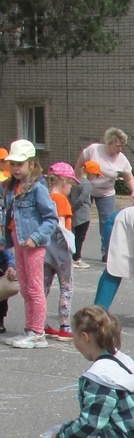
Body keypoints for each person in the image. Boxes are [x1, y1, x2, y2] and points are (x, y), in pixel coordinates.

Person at [0, 305, 134, 438]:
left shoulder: (100, 376)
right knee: (57, 429)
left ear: (84, 337)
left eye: (74, 335)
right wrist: (61, 433)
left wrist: (61, 437)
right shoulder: (123, 360)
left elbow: (89, 425)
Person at [2, 140, 58, 349]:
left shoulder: (37, 188)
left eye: (20, 163)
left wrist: (35, 237)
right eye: (13, 164)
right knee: (24, 287)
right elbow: (8, 217)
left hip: (33, 243)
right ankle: (29, 328)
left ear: (32, 164)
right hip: (18, 241)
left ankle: (37, 332)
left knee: (35, 288)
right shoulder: (11, 186)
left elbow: (51, 218)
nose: (16, 168)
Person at [75, 128, 134, 259]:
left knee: (107, 223)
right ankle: (76, 252)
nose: (120, 149)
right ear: (109, 143)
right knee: (82, 221)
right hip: (87, 190)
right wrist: (77, 184)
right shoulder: (93, 150)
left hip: (106, 192)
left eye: (122, 146)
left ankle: (107, 253)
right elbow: (79, 165)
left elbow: (129, 177)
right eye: (118, 146)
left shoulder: (122, 159)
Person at [42, 162, 78, 341]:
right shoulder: (61, 200)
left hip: (45, 250)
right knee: (66, 287)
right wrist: (71, 247)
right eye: (71, 184)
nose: (71, 188)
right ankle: (65, 325)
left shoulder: (45, 197)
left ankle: (39, 322)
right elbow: (62, 226)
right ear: (64, 181)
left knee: (43, 287)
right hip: (60, 250)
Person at [68, 163, 93, 269]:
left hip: (74, 212)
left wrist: (71, 208)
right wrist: (74, 208)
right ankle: (76, 258)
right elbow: (82, 199)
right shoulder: (87, 184)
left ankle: (73, 256)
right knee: (80, 237)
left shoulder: (76, 182)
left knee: (74, 235)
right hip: (83, 213)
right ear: (90, 172)